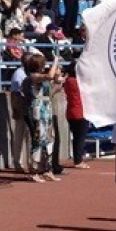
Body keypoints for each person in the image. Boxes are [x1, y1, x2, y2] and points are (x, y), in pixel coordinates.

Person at [22, 52, 62, 182]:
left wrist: (59, 79)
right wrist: (55, 61)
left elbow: (53, 84)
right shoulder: (33, 76)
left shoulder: (41, 77)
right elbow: (50, 75)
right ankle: (34, 170)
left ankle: (47, 169)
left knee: (49, 138)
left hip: (46, 107)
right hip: (37, 109)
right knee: (38, 139)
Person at [63, 61, 91, 169]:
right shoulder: (76, 82)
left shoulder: (69, 81)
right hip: (80, 112)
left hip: (72, 111)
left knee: (76, 138)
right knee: (80, 138)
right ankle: (78, 160)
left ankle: (77, 159)